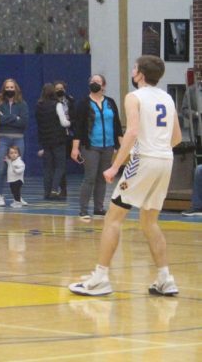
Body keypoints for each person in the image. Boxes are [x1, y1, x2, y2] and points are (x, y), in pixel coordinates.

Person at [69, 55, 181, 298]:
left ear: (140, 74)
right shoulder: (168, 98)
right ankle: (165, 278)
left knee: (113, 219)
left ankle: (100, 277)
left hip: (144, 159)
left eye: (134, 68)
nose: (132, 71)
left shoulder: (134, 97)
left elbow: (130, 133)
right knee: (149, 222)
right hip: (165, 160)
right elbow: (177, 139)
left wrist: (114, 167)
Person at [71, 74, 123, 220]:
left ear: (103, 86)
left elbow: (117, 125)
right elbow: (79, 127)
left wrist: (123, 146)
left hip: (108, 146)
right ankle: (83, 209)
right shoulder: (84, 103)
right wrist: (75, 148)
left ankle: (99, 208)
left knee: (103, 177)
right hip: (91, 146)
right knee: (90, 177)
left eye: (98, 81)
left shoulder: (110, 103)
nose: (95, 83)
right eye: (92, 81)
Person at [0, 78, 28, 207]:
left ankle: (17, 197)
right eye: (7, 87)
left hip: (18, 138)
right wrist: (14, 118)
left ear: (16, 89)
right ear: (4, 89)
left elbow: (24, 122)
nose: (9, 90)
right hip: (2, 139)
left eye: (12, 88)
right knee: (1, 169)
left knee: (18, 168)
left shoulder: (22, 104)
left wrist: (6, 118)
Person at [35, 83, 70, 203]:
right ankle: (55, 189)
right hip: (58, 139)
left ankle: (47, 191)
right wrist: (70, 122)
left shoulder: (39, 105)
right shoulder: (57, 104)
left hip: (45, 140)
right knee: (60, 166)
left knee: (48, 167)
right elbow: (63, 122)